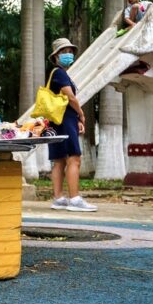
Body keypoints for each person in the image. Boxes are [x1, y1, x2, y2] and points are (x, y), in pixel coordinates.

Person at [47, 38, 97, 212]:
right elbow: (70, 97)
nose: (68, 54)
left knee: (59, 160)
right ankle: (75, 199)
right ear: (56, 56)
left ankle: (59, 198)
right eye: (63, 52)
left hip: (57, 121)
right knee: (74, 158)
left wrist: (75, 119)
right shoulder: (60, 73)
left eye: (70, 51)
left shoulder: (58, 73)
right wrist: (81, 115)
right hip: (65, 120)